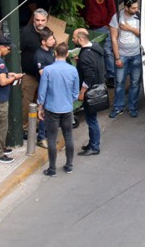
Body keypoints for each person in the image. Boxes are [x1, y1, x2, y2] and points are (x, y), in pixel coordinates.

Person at [38, 42, 79, 176]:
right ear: (67, 54)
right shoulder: (73, 70)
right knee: (68, 136)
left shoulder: (48, 70)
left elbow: (42, 91)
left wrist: (40, 107)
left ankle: (52, 169)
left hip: (51, 108)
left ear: (55, 53)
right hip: (67, 109)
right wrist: (69, 101)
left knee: (51, 138)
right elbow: (75, 92)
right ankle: (69, 165)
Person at [73, 28, 105, 156]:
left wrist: (82, 92)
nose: (72, 39)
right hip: (98, 87)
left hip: (91, 92)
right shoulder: (95, 47)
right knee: (92, 118)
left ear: (81, 39)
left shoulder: (85, 55)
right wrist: (79, 62)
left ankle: (94, 147)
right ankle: (93, 142)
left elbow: (89, 76)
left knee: (91, 120)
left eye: (74, 37)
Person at [109, 0, 142, 118]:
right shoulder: (117, 17)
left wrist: (130, 28)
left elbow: (144, 34)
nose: (136, 9)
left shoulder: (139, 16)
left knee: (135, 82)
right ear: (126, 8)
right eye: (133, 8)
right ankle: (118, 107)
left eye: (137, 7)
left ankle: (132, 107)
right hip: (122, 55)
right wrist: (117, 58)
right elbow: (113, 38)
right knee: (119, 83)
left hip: (137, 54)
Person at [80, 0, 116, 88]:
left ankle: (111, 76)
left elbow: (112, 10)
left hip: (103, 27)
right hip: (89, 27)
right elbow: (81, 9)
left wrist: (109, 24)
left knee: (106, 51)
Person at [20, 8, 48, 136]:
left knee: (39, 101)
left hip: (43, 75)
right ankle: (24, 127)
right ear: (33, 20)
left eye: (43, 20)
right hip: (29, 74)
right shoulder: (25, 33)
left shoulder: (48, 33)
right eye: (37, 20)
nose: (40, 23)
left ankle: (36, 124)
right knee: (27, 101)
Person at [34, 28, 56, 148]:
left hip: (53, 87)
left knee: (51, 113)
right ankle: (41, 137)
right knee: (44, 113)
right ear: (43, 42)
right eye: (51, 39)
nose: (54, 41)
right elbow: (43, 73)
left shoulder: (51, 51)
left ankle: (48, 136)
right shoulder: (39, 55)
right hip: (46, 88)